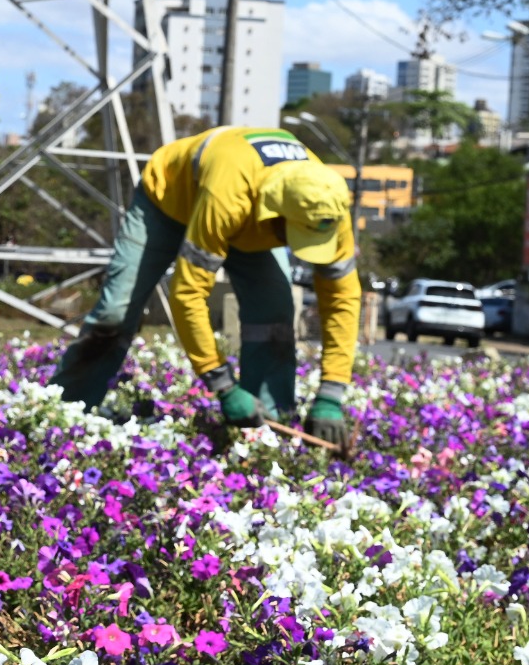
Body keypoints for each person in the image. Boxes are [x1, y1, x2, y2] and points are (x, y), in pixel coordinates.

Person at [50, 125, 359, 447]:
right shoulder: (229, 196)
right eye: (296, 236)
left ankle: (269, 432)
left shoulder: (328, 203)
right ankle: (65, 417)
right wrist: (222, 384)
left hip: (249, 223)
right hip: (168, 204)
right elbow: (189, 293)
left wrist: (331, 393)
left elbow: (343, 299)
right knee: (114, 314)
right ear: (275, 212)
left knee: (274, 316)